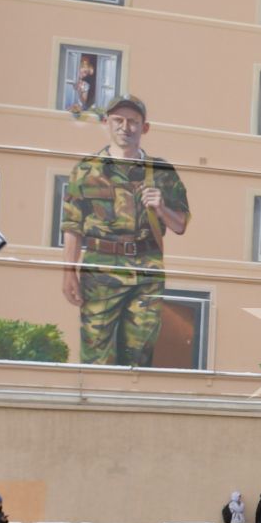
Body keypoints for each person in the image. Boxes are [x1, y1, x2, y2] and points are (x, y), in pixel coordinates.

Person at [59, 97, 191, 367]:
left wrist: (162, 207)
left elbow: (180, 225)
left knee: (139, 355)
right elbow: (72, 227)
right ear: (107, 123)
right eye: (118, 120)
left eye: (133, 121)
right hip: (100, 270)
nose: (125, 127)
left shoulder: (162, 171)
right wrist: (68, 272)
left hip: (147, 270)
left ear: (145, 128)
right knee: (96, 355)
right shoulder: (86, 170)